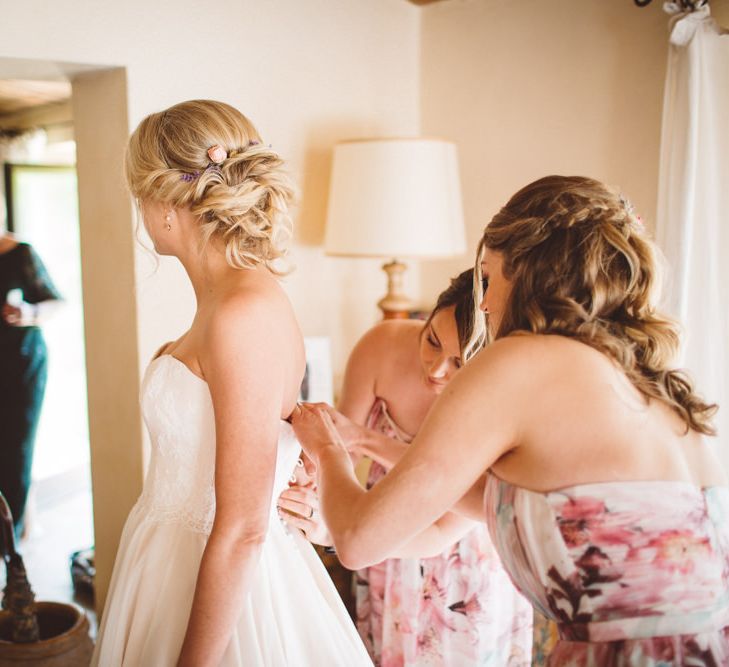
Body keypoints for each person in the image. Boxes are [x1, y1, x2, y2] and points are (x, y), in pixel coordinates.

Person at [292, 175, 729, 665]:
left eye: (489, 276)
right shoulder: (645, 377)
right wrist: (365, 441)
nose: (482, 302)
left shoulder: (517, 362)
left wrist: (328, 447)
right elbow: (483, 498)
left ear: (527, 272)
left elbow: (356, 541)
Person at [92, 100, 371, 667]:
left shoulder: (242, 313)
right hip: (169, 561)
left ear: (166, 206)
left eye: (138, 195)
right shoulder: (224, 302)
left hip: (228, 589)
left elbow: (244, 527)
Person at [278, 269, 532, 666]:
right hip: (382, 545)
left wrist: (337, 529)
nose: (435, 369)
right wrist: (309, 482)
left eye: (458, 363)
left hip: (461, 567)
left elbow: (436, 532)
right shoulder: (382, 346)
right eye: (431, 340)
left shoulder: (497, 403)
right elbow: (343, 454)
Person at [0, 232, 61, 539]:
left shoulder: (21, 253)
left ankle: (8, 555)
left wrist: (30, 313)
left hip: (22, 365)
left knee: (14, 453)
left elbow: (56, 301)